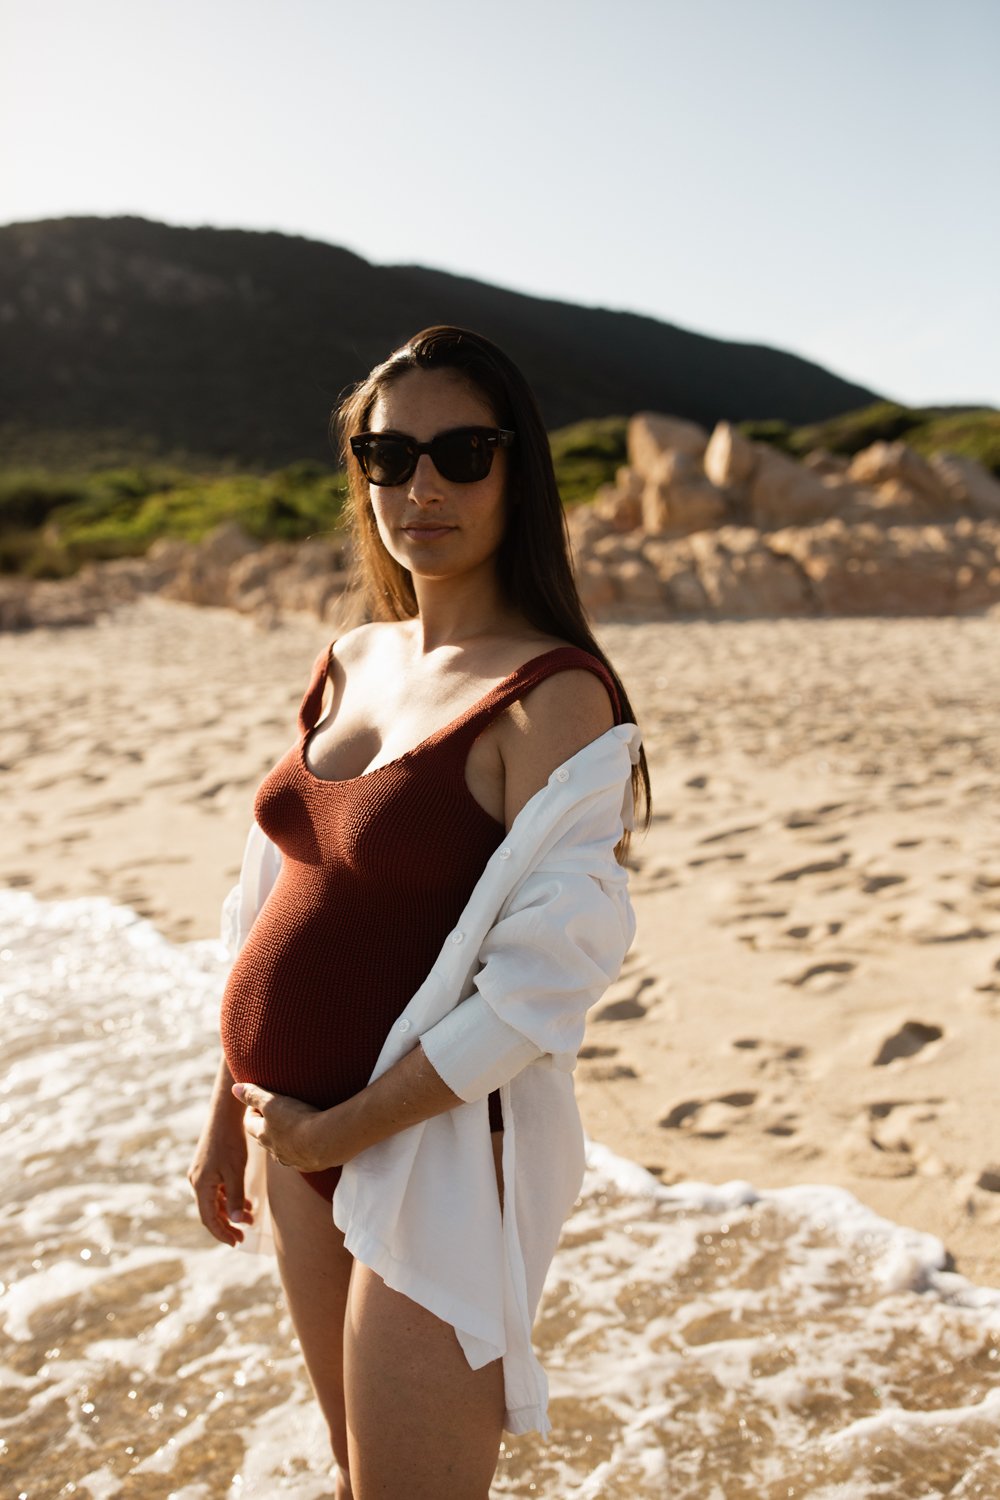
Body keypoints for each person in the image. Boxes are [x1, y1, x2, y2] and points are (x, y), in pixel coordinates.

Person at [188, 325, 651, 1499]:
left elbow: (542, 988)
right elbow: (272, 894)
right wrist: (225, 1115)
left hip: (434, 1157)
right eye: (389, 457)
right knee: (358, 1478)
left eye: (461, 451)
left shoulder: (549, 697)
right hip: (289, 1139)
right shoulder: (352, 657)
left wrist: (330, 1134)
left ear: (518, 469)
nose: (423, 486)